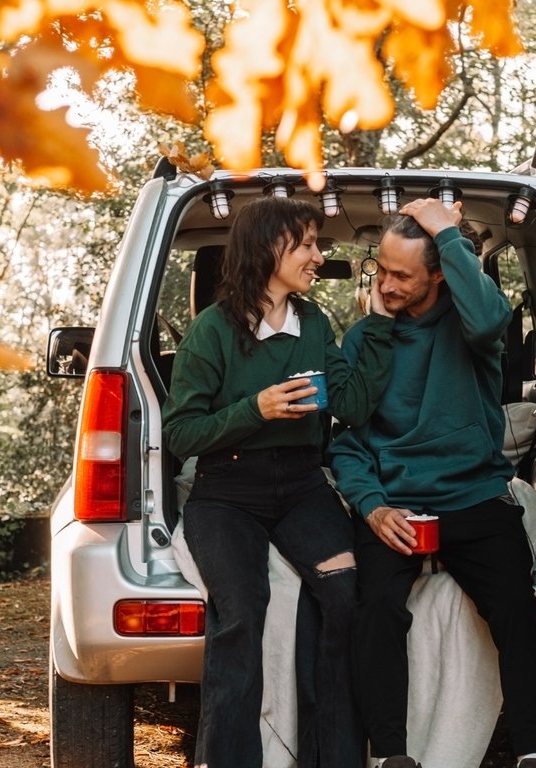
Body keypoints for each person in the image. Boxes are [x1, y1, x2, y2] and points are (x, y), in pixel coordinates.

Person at [163, 195, 394, 768]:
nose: (318, 256)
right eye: (308, 244)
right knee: (243, 611)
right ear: (269, 248)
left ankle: (335, 759)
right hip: (226, 494)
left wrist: (382, 322)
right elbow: (181, 435)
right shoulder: (211, 331)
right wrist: (255, 409)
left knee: (345, 596)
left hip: (302, 487)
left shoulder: (314, 323)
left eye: (317, 243)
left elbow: (355, 404)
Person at [329, 198, 536, 768]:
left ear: (437, 273)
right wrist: (373, 507)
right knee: (376, 608)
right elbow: (347, 444)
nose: (385, 284)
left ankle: (534, 752)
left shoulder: (472, 327)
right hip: (396, 506)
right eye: (380, 269)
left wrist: (449, 233)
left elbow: (489, 317)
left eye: (401, 274)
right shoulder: (364, 340)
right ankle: (390, 756)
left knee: (517, 610)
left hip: (473, 494)